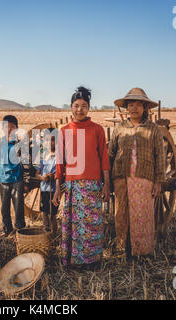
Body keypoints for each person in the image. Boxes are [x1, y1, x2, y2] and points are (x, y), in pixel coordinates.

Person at [53, 86, 110, 268]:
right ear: (71, 107)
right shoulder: (64, 131)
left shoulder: (97, 130)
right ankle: (74, 261)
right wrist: (57, 189)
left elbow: (104, 160)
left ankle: (92, 261)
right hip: (72, 186)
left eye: (83, 105)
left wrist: (106, 184)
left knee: (92, 225)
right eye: (76, 105)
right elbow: (60, 163)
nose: (80, 109)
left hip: (92, 185)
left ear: (89, 107)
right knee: (74, 225)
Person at [109, 88, 165, 258]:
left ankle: (142, 250)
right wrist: (107, 180)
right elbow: (111, 153)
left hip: (144, 177)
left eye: (138, 105)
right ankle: (122, 247)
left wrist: (158, 182)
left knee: (142, 212)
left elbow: (160, 156)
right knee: (121, 212)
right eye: (131, 105)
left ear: (145, 108)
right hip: (121, 176)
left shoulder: (153, 129)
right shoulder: (119, 128)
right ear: (126, 108)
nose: (134, 108)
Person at [0, 115, 27, 237]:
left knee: (18, 206)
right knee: (4, 206)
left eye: (12, 127)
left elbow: (25, 162)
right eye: (6, 127)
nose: (8, 129)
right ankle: (7, 229)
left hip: (16, 179)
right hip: (3, 179)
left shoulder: (19, 143)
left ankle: (20, 229)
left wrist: (26, 181)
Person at [34, 127, 59, 235]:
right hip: (44, 188)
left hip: (54, 189)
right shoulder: (41, 156)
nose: (50, 143)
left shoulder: (59, 156)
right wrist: (43, 177)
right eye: (47, 140)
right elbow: (37, 173)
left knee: (53, 214)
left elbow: (61, 173)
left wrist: (53, 176)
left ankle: (54, 234)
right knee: (44, 212)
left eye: (53, 140)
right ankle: (45, 233)